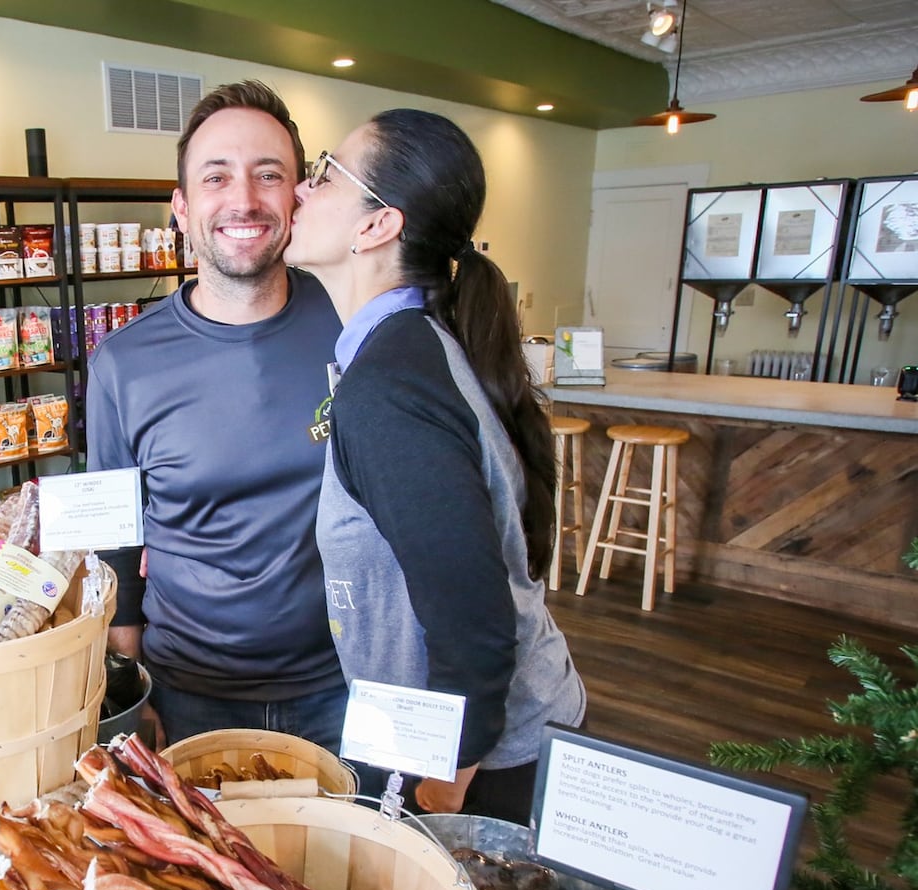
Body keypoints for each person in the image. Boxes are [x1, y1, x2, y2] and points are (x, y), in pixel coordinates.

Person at [283, 109, 587, 822]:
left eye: (324, 173)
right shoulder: (410, 345)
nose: (300, 189)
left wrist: (445, 782)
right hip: (449, 739)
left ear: (377, 225)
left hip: (483, 764)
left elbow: (474, 618)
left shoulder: (390, 384)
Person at [85, 80, 346, 751]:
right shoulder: (123, 361)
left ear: (297, 197)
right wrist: (129, 675)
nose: (244, 199)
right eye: (216, 177)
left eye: (269, 174)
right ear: (181, 207)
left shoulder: (353, 320)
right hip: (189, 692)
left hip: (348, 685)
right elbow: (114, 536)